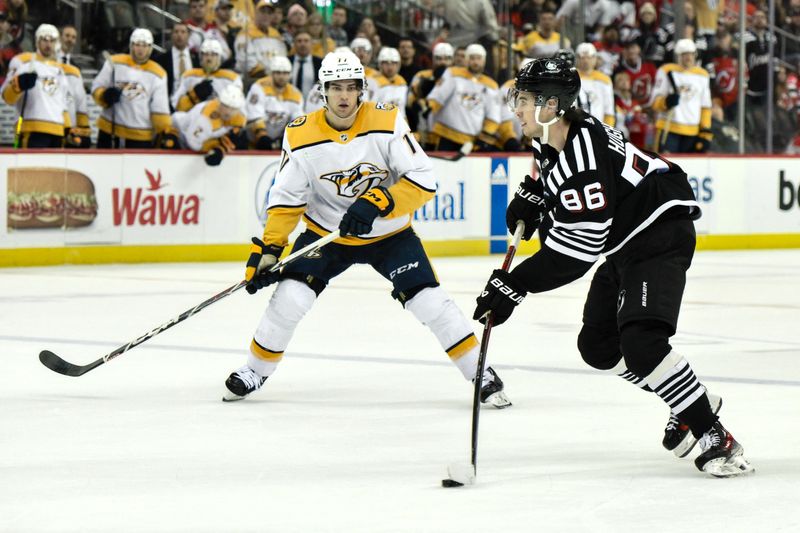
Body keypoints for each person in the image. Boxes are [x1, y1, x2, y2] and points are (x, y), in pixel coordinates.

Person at [473, 57, 753, 477]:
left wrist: (514, 285)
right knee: (599, 346)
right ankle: (690, 402)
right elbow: (560, 192)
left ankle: (715, 434)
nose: (516, 108)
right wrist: (537, 201)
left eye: (525, 99)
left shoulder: (582, 161)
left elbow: (576, 253)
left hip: (659, 234)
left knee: (642, 343)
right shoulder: (553, 136)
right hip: (626, 240)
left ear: (552, 106)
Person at [222, 50, 511, 410]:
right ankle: (255, 369)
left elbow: (424, 179)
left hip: (389, 235)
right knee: (289, 299)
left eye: (351, 87)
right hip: (327, 234)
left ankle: (479, 371)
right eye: (335, 88)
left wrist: (376, 202)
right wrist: (269, 250)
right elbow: (287, 199)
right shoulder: (299, 134)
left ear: (362, 89)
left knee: (429, 302)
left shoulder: (387, 121)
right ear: (322, 91)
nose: (344, 96)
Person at [91, 28, 173, 149]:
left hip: (140, 135)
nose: (140, 49)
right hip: (110, 130)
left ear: (150, 48)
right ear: (131, 45)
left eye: (144, 45)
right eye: (137, 45)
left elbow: (159, 108)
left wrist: (164, 131)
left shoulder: (158, 73)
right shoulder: (114, 62)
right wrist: (104, 95)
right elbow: (97, 87)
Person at [1, 24, 71, 148]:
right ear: (37, 41)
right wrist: (19, 84)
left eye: (52, 40)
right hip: (31, 128)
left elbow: (63, 103)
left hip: (57, 130)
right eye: (44, 39)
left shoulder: (60, 70)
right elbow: (7, 97)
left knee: (54, 167)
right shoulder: (23, 62)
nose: (48, 44)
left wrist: (67, 128)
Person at [425, 43, 500, 152]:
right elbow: (438, 96)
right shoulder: (453, 73)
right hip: (446, 134)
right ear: (467, 59)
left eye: (478, 58)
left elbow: (493, 116)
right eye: (472, 58)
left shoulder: (491, 85)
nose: (475, 62)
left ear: (484, 60)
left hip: (470, 141)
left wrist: (485, 136)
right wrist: (430, 107)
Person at [650, 38, 712, 153]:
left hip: (693, 131)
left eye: (691, 54)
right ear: (678, 56)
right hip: (669, 129)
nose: (688, 57)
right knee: (666, 168)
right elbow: (654, 102)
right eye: (684, 54)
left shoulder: (703, 75)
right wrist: (666, 102)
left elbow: (705, 107)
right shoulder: (666, 71)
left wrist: (705, 131)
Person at [172, 84, 247, 166]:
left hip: (201, 136)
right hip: (180, 132)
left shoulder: (240, 116)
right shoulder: (205, 117)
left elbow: (232, 137)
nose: (228, 112)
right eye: (226, 106)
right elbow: (193, 144)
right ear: (219, 103)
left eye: (233, 108)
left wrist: (221, 148)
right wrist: (216, 146)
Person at [246, 55, 303, 150]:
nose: (281, 77)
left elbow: (298, 120)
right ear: (271, 73)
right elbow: (254, 115)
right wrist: (262, 136)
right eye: (278, 73)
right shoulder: (259, 87)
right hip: (254, 143)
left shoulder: (295, 94)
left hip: (279, 143)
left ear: (290, 75)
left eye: (285, 73)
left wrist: (287, 138)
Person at [172, 38, 242, 112]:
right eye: (206, 54)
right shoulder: (189, 76)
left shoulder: (232, 78)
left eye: (213, 55)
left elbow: (237, 107)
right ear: (200, 57)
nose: (209, 58)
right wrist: (193, 97)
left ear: (219, 58)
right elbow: (176, 105)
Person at [234, 0, 286, 80]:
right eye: (263, 12)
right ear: (255, 14)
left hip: (275, 79)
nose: (266, 16)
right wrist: (265, 75)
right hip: (252, 79)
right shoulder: (246, 33)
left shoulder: (276, 35)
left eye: (269, 13)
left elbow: (283, 56)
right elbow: (245, 60)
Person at [155, 23, 199, 100]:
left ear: (188, 35)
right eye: (176, 32)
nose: (179, 35)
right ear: (171, 35)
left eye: (183, 32)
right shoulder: (162, 59)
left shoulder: (196, 58)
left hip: (192, 102)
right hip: (169, 101)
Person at [574, 42, 615, 127]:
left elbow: (609, 109)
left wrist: (607, 131)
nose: (585, 61)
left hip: (599, 127)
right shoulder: (571, 77)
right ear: (576, 58)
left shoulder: (604, 79)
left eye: (589, 57)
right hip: (575, 125)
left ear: (595, 58)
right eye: (582, 57)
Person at [371, 47, 408, 119]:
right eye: (386, 63)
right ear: (380, 64)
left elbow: (402, 110)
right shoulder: (371, 81)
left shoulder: (402, 82)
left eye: (394, 63)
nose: (390, 67)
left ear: (398, 64)